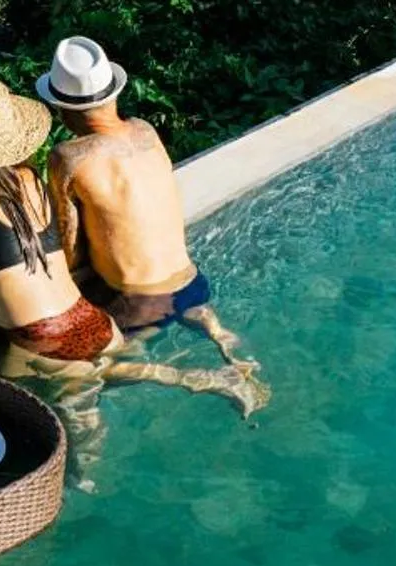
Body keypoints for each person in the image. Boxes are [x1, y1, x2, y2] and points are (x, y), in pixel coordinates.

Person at [0, 74, 251, 406]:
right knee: (92, 387)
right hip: (94, 320)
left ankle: (192, 378)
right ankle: (192, 371)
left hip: (46, 337)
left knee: (1, 398)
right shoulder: (31, 178)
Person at [42, 36, 265, 407]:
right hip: (192, 284)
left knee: (82, 371)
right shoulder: (145, 129)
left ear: (64, 110)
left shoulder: (67, 157)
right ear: (113, 94)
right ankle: (220, 335)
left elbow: (70, 245)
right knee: (186, 310)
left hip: (141, 302)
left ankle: (198, 378)